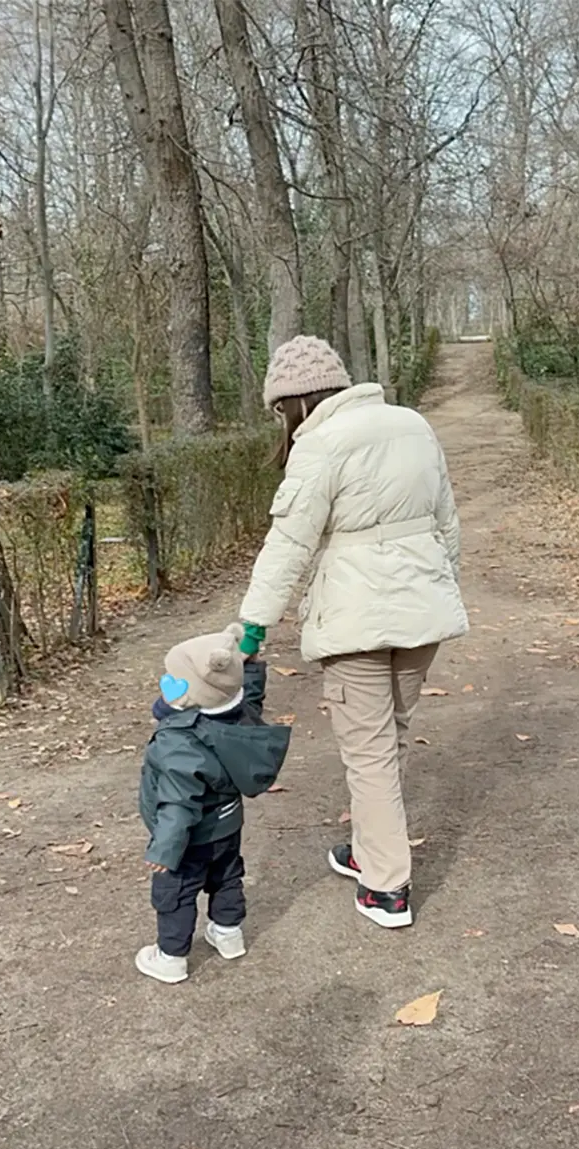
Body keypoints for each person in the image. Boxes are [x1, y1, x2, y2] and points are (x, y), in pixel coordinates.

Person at [238, 336, 468, 929]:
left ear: (296, 402)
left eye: (279, 411)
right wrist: (443, 588)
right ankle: (370, 850)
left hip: (355, 621)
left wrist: (253, 627)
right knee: (387, 739)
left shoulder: (319, 444)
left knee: (368, 754)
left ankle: (387, 887)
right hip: (422, 615)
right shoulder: (413, 424)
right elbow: (447, 522)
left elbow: (287, 546)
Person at [136, 624, 291, 983]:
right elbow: (248, 696)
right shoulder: (237, 718)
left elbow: (178, 804)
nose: (166, 681)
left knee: (175, 892)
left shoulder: (179, 742)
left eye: (174, 679)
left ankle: (171, 956)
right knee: (226, 876)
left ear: (188, 695)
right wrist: (248, 668)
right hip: (227, 825)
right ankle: (228, 932)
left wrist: (164, 850)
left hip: (189, 837)